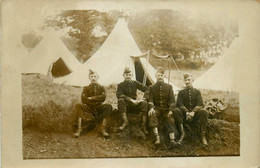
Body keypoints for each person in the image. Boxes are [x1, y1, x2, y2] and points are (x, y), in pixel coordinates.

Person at [145, 67, 181, 145]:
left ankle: (172, 140)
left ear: (164, 76)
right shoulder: (152, 87)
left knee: (170, 120)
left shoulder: (169, 87)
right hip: (157, 108)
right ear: (155, 76)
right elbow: (150, 100)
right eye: (158, 75)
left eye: (161, 75)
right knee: (152, 115)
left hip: (166, 109)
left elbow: (172, 100)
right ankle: (157, 137)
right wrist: (151, 108)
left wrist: (171, 110)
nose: (160, 77)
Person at [74, 70, 112, 138]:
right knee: (78, 105)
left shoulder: (101, 87)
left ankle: (102, 128)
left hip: (99, 107)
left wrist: (91, 98)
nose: (93, 78)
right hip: (89, 107)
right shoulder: (86, 88)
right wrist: (97, 99)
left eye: (95, 76)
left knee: (108, 106)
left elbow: (103, 97)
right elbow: (83, 99)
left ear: (98, 77)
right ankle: (79, 129)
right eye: (91, 76)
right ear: (89, 78)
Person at [175, 74, 208, 145]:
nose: (187, 82)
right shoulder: (181, 92)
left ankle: (202, 136)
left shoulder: (197, 92)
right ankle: (182, 133)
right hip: (184, 115)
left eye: (189, 80)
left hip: (195, 115)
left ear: (192, 80)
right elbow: (180, 104)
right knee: (176, 111)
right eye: (185, 80)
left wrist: (193, 112)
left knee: (204, 111)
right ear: (184, 81)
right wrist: (186, 112)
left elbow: (200, 104)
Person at [116, 67, 148, 134]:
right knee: (120, 100)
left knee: (144, 103)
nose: (128, 76)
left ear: (132, 75)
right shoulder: (120, 85)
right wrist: (130, 100)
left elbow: (147, 89)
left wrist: (143, 98)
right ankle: (125, 122)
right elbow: (119, 94)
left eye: (129, 75)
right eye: (126, 75)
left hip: (135, 106)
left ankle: (143, 125)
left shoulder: (135, 83)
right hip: (126, 106)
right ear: (123, 75)